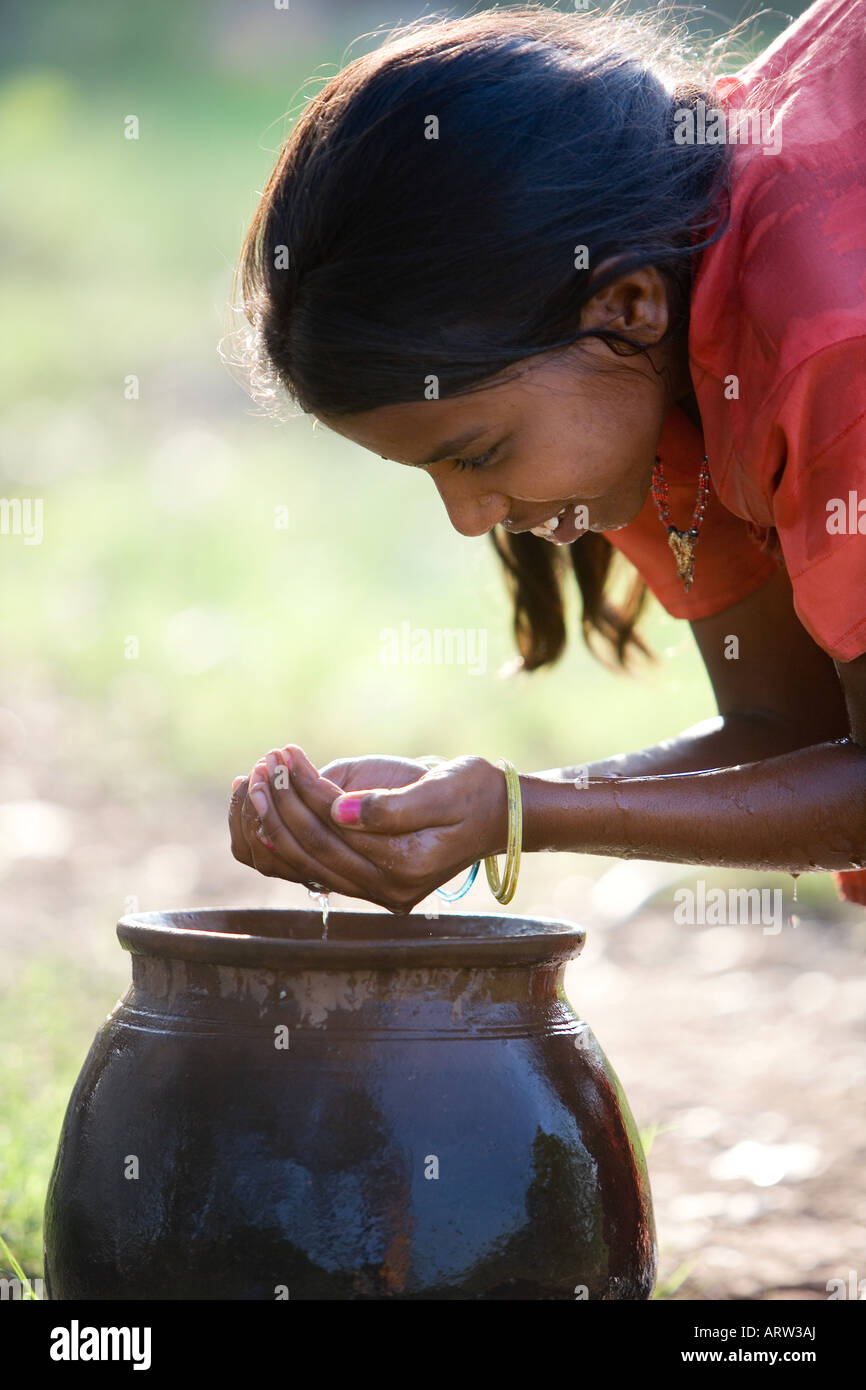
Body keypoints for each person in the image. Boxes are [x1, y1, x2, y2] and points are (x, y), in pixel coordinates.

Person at [227, 0, 866, 914]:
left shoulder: (827, 346)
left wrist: (524, 813)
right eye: (433, 476)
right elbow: (793, 725)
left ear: (627, 305)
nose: (467, 516)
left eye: (480, 453)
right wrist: (489, 805)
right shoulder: (649, 366)